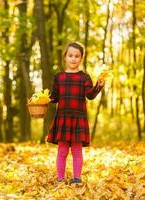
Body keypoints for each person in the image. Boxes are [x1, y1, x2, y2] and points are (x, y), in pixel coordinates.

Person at [47, 42, 105, 184]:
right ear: (65, 57)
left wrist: (98, 86)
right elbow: (54, 97)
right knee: (62, 151)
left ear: (81, 58)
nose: (73, 58)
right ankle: (60, 179)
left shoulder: (84, 77)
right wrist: (43, 100)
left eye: (77, 56)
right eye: (70, 55)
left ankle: (77, 178)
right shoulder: (59, 77)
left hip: (78, 118)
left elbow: (90, 95)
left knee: (77, 151)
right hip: (63, 118)